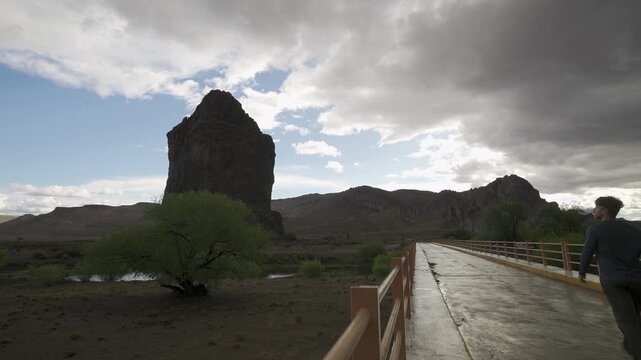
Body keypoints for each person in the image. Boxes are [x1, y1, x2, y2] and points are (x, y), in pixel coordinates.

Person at [579, 196, 641, 359]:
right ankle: (631, 346)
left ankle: (637, 352)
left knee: (626, 319)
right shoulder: (634, 228)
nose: (594, 210)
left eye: (597, 207)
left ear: (604, 211)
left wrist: (582, 272)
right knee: (635, 315)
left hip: (613, 280)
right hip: (637, 278)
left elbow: (587, 253)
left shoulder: (595, 229)